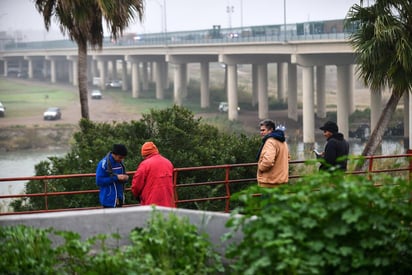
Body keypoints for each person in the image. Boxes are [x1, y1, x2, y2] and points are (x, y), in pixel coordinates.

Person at [131, 141, 175, 207]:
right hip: (168, 203)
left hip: (151, 204)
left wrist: (136, 194)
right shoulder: (168, 162)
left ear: (144, 154)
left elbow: (136, 185)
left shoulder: (144, 165)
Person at [256, 119, 290, 187]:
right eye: (260, 130)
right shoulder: (283, 141)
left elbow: (268, 162)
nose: (261, 132)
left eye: (263, 130)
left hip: (270, 183)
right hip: (281, 181)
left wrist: (260, 167)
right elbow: (288, 158)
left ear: (270, 130)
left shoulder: (270, 142)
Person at [96, 144, 129, 208]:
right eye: (120, 157)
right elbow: (99, 181)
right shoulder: (103, 164)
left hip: (119, 198)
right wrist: (116, 178)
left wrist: (125, 178)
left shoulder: (120, 163)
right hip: (108, 199)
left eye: (123, 158)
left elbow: (121, 176)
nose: (121, 159)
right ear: (114, 154)